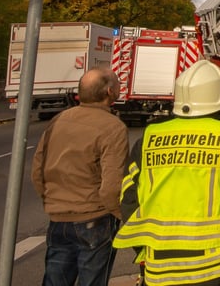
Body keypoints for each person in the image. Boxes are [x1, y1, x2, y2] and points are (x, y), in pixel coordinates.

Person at [113, 60, 220, 286]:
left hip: (160, 265)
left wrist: (143, 247)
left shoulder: (149, 137)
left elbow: (128, 197)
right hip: (217, 265)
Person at [31, 66, 130, 286]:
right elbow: (112, 186)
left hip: (58, 220)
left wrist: (53, 202)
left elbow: (37, 171)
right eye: (117, 85)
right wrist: (118, 215)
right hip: (95, 219)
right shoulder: (113, 128)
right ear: (109, 92)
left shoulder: (58, 121)